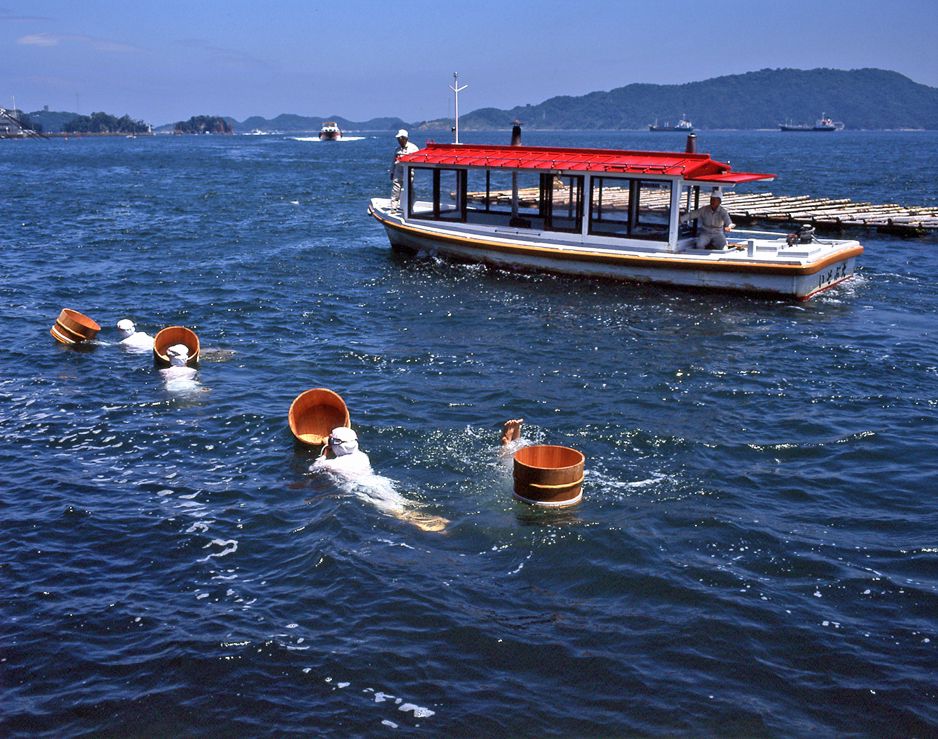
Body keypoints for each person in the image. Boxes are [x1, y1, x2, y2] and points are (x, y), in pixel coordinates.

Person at [311, 426, 448, 532]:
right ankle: (437, 517)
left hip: (361, 489)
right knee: (400, 500)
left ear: (336, 444)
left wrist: (324, 452)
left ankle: (427, 526)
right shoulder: (363, 456)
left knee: (393, 510)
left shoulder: (333, 464)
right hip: (378, 481)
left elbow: (313, 468)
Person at [389, 129, 419, 211]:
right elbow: (393, 161)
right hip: (398, 172)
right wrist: (392, 172)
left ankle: (410, 207)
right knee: (395, 190)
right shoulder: (397, 149)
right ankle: (393, 207)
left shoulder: (413, 148)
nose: (398, 140)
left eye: (400, 138)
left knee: (409, 190)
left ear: (404, 138)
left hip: (409, 172)